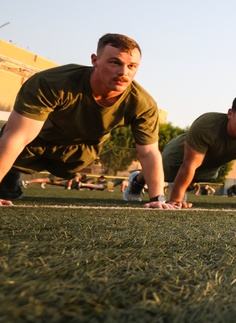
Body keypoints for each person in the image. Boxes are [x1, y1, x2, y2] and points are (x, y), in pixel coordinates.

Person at [0, 34, 170, 209]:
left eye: (132, 66)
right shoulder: (51, 83)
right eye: (115, 62)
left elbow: (149, 152)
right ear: (95, 60)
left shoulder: (142, 103)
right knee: (9, 138)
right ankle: (9, 179)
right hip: (36, 142)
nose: (123, 72)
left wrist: (157, 198)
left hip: (78, 154)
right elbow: (18, 137)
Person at [125, 94, 236, 209]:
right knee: (164, 170)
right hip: (180, 152)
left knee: (211, 175)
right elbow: (189, 165)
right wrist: (176, 199)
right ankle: (137, 181)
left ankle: (181, 184)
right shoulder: (207, 125)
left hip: (208, 164)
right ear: (230, 114)